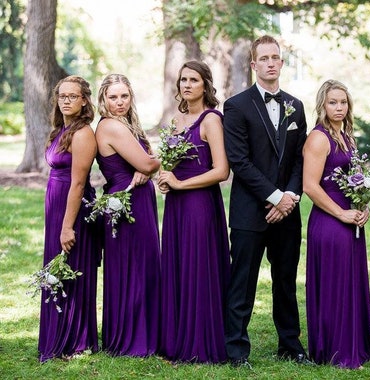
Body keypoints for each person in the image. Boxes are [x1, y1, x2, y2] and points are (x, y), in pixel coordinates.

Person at [223, 35, 309, 367]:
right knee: (242, 282)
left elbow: (301, 159)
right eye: (265, 58)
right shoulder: (236, 105)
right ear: (254, 64)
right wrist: (274, 197)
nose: (271, 63)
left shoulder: (296, 106)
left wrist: (289, 197)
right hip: (249, 211)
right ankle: (236, 349)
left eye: (277, 57)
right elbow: (239, 161)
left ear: (281, 63)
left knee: (285, 280)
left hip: (288, 210)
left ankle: (290, 344)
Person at [157, 61, 230, 363]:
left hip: (200, 205)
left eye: (194, 80)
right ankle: (176, 337)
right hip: (175, 206)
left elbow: (222, 170)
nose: (187, 85)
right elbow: (167, 162)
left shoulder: (211, 120)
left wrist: (180, 183)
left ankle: (199, 341)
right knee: (178, 266)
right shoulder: (175, 120)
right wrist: (164, 177)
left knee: (198, 268)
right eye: (183, 79)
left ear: (206, 85)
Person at [303, 79, 370, 369]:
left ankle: (355, 345)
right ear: (323, 104)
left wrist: (364, 205)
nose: (339, 107)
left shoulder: (347, 137)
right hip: (329, 220)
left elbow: (357, 179)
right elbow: (310, 186)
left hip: (350, 217)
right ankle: (335, 349)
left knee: (350, 281)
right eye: (333, 102)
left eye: (343, 102)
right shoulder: (319, 138)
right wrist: (341, 214)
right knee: (335, 284)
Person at [95, 74, 161, 357]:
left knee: (141, 264)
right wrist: (151, 165)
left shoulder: (127, 125)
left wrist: (147, 167)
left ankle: (146, 331)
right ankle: (132, 338)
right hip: (127, 202)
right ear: (103, 99)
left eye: (124, 96)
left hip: (136, 198)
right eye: (113, 97)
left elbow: (146, 162)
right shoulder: (111, 126)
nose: (119, 102)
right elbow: (148, 161)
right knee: (132, 267)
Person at [39, 75, 101, 362]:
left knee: (71, 268)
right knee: (56, 269)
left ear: (84, 100)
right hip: (57, 207)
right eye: (62, 96)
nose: (66, 101)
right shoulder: (59, 131)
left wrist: (66, 226)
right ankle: (56, 335)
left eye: (72, 96)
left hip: (72, 210)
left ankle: (75, 339)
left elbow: (77, 184)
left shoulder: (83, 133)